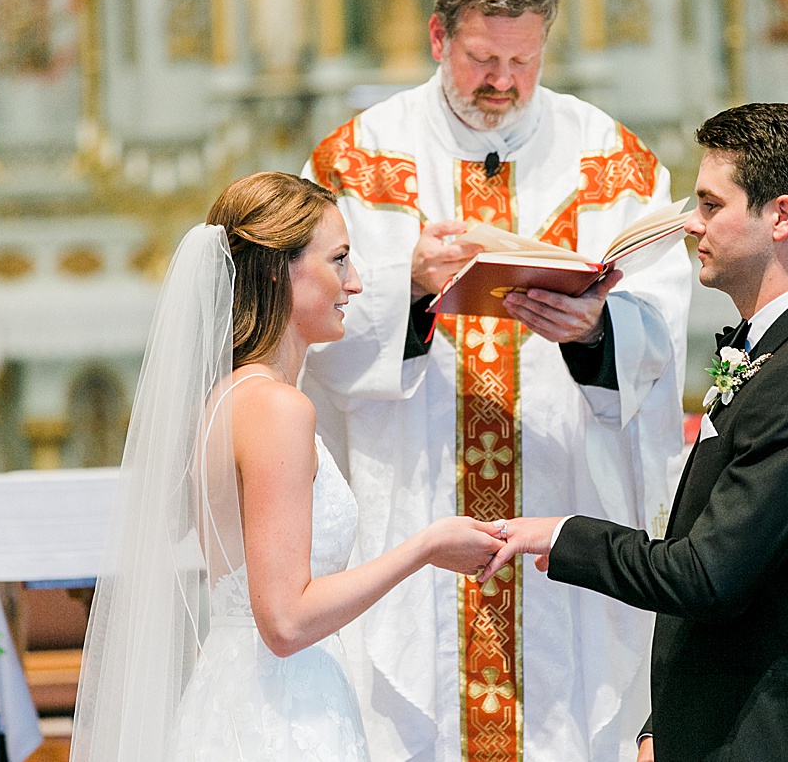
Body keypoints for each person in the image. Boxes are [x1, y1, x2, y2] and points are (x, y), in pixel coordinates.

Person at [301, 0, 692, 762]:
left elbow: (659, 325)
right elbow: (307, 320)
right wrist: (404, 276)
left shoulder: (611, 163)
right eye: (482, 58)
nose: (503, 83)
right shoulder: (358, 161)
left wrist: (596, 332)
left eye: (524, 62)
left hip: (561, 502)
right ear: (439, 36)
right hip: (412, 502)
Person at [480, 103, 788, 762]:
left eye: (710, 202)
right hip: (726, 728)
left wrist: (559, 534)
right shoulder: (776, 357)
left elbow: (708, 572)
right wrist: (659, 727)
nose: (692, 222)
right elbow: (734, 581)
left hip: (781, 741)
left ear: (780, 216)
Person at [69, 172, 505, 762]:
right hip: (280, 712)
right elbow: (285, 621)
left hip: (235, 692)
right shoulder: (276, 407)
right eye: (339, 261)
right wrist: (424, 548)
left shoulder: (228, 396)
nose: (354, 284)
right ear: (279, 271)